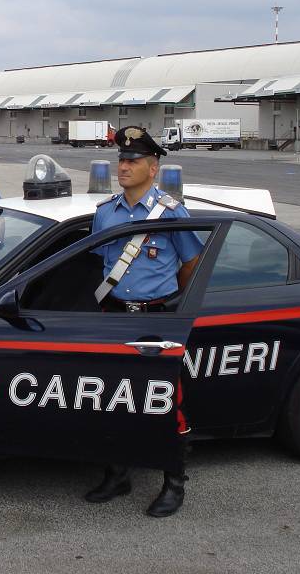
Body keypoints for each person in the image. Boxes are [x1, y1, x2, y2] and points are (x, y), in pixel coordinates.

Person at [84, 126, 203, 518]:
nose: (124, 166)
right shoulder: (105, 214)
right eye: (121, 159)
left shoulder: (171, 213)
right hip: (114, 316)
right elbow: (98, 264)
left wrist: (172, 305)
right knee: (113, 400)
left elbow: (191, 264)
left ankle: (174, 483)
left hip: (157, 320)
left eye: (133, 161)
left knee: (166, 403)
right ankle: (118, 474)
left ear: (152, 168)